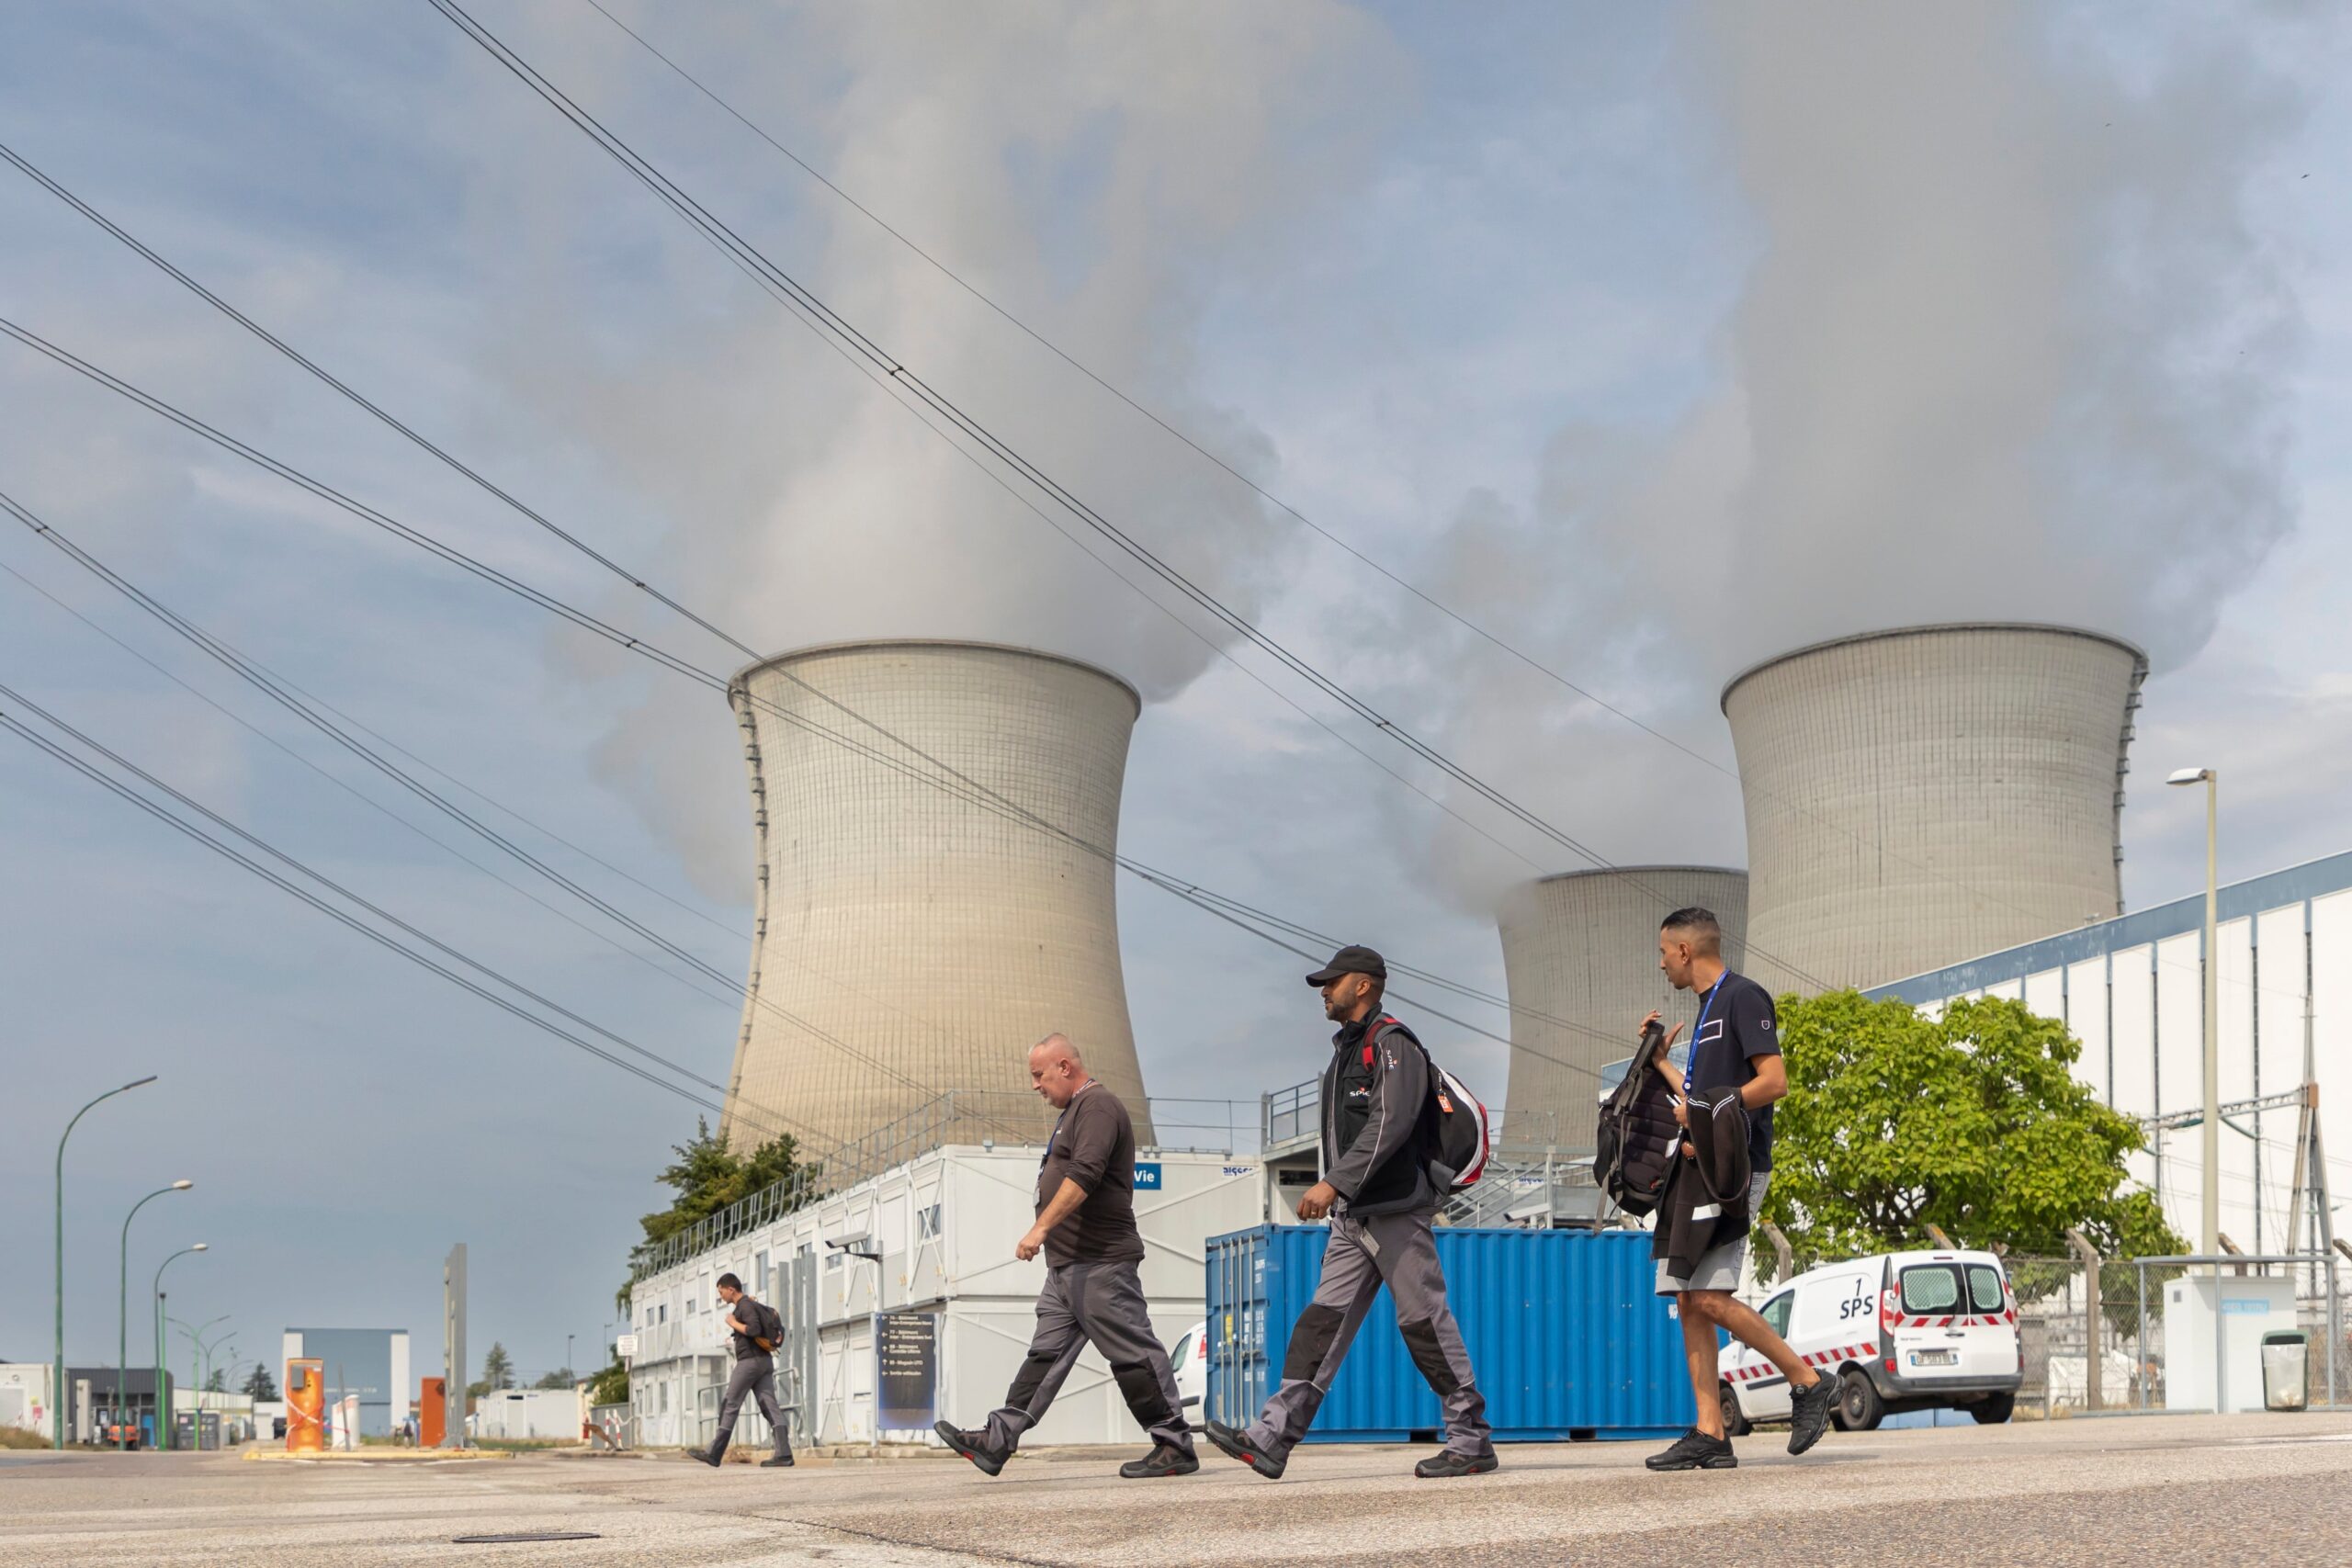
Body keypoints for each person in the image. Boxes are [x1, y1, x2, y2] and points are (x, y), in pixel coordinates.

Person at [1205, 945, 1497, 1481]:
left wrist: (1332, 1182)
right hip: (1353, 1216)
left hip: (1395, 1211)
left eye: (1332, 982)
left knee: (1425, 1325)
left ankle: (1470, 1439)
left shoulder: (1392, 1044)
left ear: (1362, 985)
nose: (1323, 990)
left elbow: (1391, 1123)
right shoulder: (1347, 1051)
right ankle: (1272, 1437)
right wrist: (1341, 1194)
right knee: (1320, 1324)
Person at [935, 1033, 1198, 1480]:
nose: (1035, 1085)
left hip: (1100, 1261)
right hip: (1066, 1268)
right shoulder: (1074, 1112)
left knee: (1132, 1353)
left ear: (1065, 1066)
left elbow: (1086, 1173)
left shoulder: (1098, 1107)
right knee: (1045, 1355)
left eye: (1039, 1075)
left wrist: (1041, 1228)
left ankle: (1174, 1444)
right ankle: (998, 1440)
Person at [1641, 906, 1834, 1470]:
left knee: (1708, 1296)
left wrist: (1703, 1108)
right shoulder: (1706, 1009)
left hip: (1734, 1170)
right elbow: (1699, 1102)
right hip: (1696, 1167)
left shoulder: (1744, 998)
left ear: (1684, 951)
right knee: (1686, 1297)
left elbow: (1775, 1082)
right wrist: (1661, 1064)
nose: (1661, 965)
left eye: (1663, 953)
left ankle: (1808, 1380)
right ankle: (1710, 1431)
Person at [688, 1271, 794, 1469]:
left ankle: (714, 1453)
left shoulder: (745, 1305)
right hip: (764, 1361)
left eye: (721, 1292)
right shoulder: (747, 1305)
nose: (721, 1296)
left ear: (731, 1289)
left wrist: (732, 1323)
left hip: (749, 1363)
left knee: (730, 1403)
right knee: (769, 1405)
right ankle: (784, 1454)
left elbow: (753, 1329)